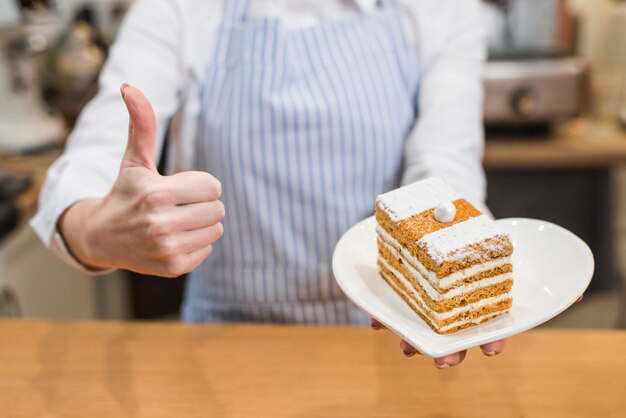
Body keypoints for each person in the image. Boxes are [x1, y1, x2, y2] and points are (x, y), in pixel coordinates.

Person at [32, 0, 506, 368]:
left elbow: (443, 168)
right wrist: (96, 231)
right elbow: (91, 161)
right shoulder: (181, 11)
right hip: (221, 353)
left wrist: (458, 268)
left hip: (396, 343)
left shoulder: (441, 10)